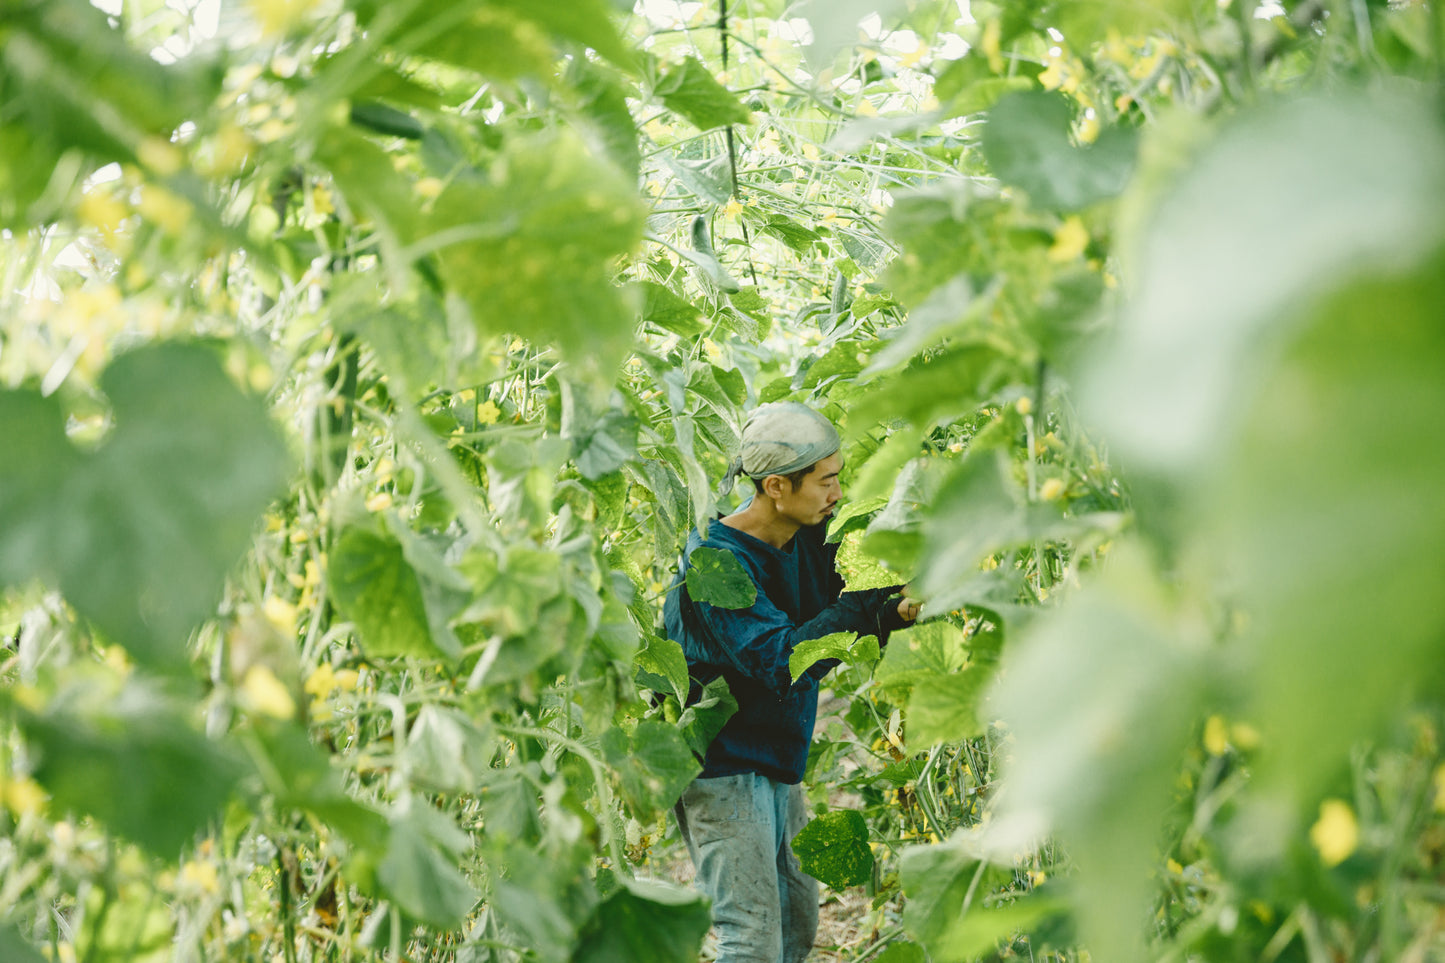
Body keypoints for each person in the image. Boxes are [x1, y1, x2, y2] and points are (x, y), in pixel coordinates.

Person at [663, 401, 920, 963]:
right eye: (826, 480)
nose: (837, 491)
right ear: (777, 486)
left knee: (796, 927)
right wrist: (861, 605)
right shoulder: (713, 565)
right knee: (751, 940)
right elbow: (785, 659)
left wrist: (894, 607)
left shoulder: (808, 535)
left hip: (776, 753)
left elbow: (846, 608)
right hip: (722, 766)